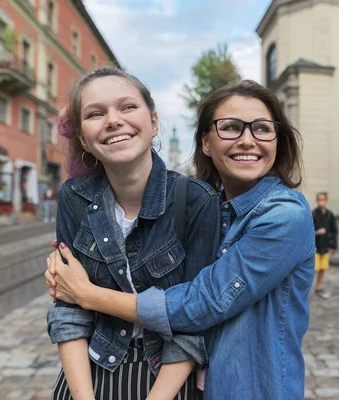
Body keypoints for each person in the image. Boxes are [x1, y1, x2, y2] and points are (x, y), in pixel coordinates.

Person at [46, 80, 315, 399]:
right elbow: (68, 313)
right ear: (205, 143)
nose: (247, 140)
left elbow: (202, 303)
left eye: (261, 128)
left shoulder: (283, 215)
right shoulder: (216, 205)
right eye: (230, 127)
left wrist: (86, 293)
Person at [46, 67, 220, 400]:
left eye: (127, 107)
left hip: (167, 379)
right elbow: (68, 309)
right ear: (83, 137)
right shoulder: (73, 197)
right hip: (90, 372)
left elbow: (195, 321)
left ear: (153, 122)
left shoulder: (196, 200)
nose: (113, 120)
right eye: (96, 113)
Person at [312, 191, 338, 298]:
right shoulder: (313, 214)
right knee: (313, 269)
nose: (320, 202)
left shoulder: (330, 215)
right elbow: (306, 231)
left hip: (325, 246)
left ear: (326, 201)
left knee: (323, 268)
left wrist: (334, 245)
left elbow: (334, 230)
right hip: (315, 247)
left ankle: (319, 287)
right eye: (319, 200)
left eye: (322, 200)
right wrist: (316, 232)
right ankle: (304, 290)